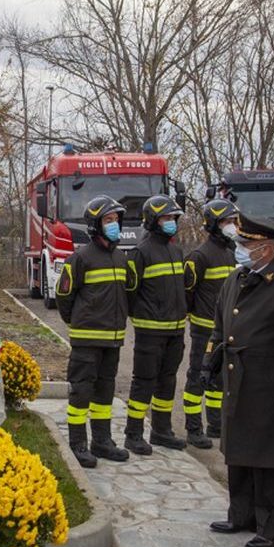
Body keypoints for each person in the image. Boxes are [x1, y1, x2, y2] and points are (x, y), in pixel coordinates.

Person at [203, 212, 274, 547]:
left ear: (266, 249)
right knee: (238, 452)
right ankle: (242, 514)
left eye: (245, 244)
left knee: (270, 458)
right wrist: (212, 360)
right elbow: (220, 326)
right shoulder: (236, 279)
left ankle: (271, 526)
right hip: (238, 379)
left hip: (270, 383)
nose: (239, 249)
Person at [56, 195, 132, 468]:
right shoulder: (80, 259)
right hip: (87, 341)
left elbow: (127, 296)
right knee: (81, 392)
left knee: (104, 393)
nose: (114, 225)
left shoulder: (122, 258)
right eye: (108, 220)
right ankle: (78, 443)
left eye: (116, 220)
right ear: (95, 224)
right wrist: (77, 323)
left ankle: (102, 441)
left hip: (113, 341)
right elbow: (64, 295)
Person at [123, 194, 189, 455]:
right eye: (165, 218)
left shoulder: (176, 250)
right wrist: (142, 317)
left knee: (168, 381)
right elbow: (130, 291)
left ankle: (162, 431)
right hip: (150, 332)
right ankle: (133, 433)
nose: (171, 222)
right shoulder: (141, 252)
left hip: (175, 330)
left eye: (173, 218)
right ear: (152, 220)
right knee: (144, 382)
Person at [182, 198, 240, 447]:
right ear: (215, 224)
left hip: (225, 330)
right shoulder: (199, 256)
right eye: (228, 221)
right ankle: (194, 428)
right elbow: (188, 293)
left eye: (234, 221)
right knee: (197, 376)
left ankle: (216, 424)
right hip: (204, 329)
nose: (233, 226)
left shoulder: (231, 252)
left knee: (219, 380)